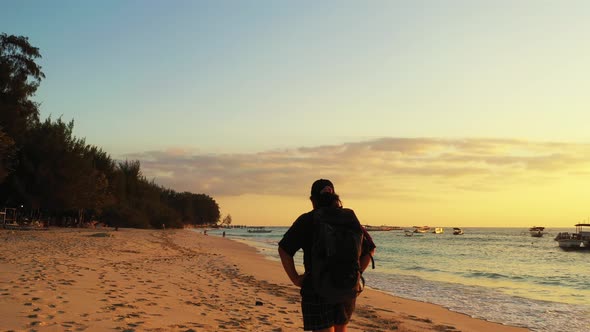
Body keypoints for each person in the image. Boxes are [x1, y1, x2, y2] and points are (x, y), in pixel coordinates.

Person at [278, 179, 376, 332]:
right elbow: (370, 249)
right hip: (346, 284)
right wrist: (357, 272)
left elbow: (284, 249)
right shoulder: (349, 218)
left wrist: (295, 279)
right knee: (341, 329)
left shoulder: (307, 220)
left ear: (312, 199)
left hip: (316, 286)